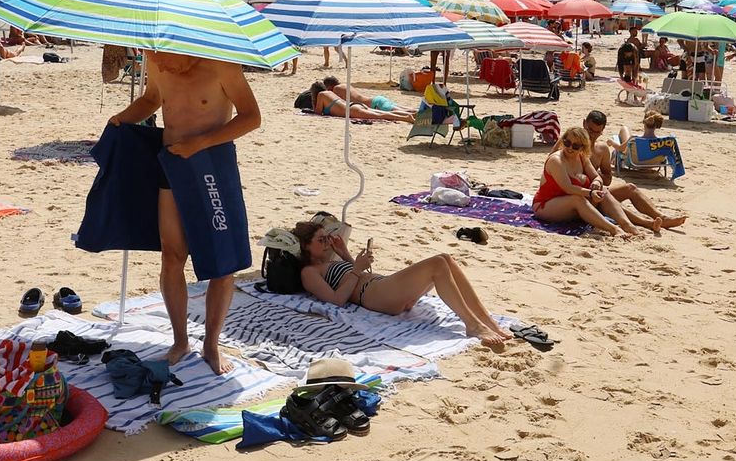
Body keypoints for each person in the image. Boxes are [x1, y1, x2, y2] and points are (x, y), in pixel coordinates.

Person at [109, 52, 263, 374]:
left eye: (165, 60)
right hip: (171, 163)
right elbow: (152, 98)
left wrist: (202, 142)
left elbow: (251, 117)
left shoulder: (222, 63)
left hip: (212, 164)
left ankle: (211, 343)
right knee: (171, 254)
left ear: (184, 47)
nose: (160, 67)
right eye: (155, 59)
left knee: (223, 261)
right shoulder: (156, 58)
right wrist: (123, 117)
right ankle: (180, 341)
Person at [292, 216, 511, 348]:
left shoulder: (330, 259)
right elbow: (337, 300)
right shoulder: (309, 272)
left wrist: (346, 254)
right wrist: (356, 268)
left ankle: (485, 320)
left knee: (446, 259)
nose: (327, 243)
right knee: (436, 264)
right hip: (373, 294)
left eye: (327, 237)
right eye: (321, 240)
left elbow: (351, 275)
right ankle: (472, 325)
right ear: (305, 247)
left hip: (380, 287)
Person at [533, 127, 661, 238]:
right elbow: (568, 188)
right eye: (567, 143)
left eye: (575, 146)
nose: (570, 148)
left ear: (582, 148)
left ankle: (632, 224)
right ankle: (615, 229)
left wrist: (596, 184)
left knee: (606, 191)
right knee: (578, 199)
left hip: (577, 200)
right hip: (547, 204)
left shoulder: (583, 157)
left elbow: (600, 177)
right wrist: (591, 192)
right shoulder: (556, 160)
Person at [569, 111, 686, 230]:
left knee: (630, 188)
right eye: (589, 130)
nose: (592, 135)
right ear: (584, 124)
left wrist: (595, 177)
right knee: (608, 197)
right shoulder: (570, 144)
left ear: (602, 131)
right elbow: (552, 165)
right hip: (576, 193)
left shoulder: (602, 149)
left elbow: (608, 178)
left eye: (597, 132)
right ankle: (646, 223)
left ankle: (661, 217)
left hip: (595, 190)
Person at [308, 82, 415, 123]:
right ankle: (407, 115)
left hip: (352, 110)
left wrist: (314, 103)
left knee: (382, 115)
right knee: (382, 113)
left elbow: (318, 113)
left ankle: (405, 117)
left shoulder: (321, 95)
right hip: (355, 106)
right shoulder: (330, 93)